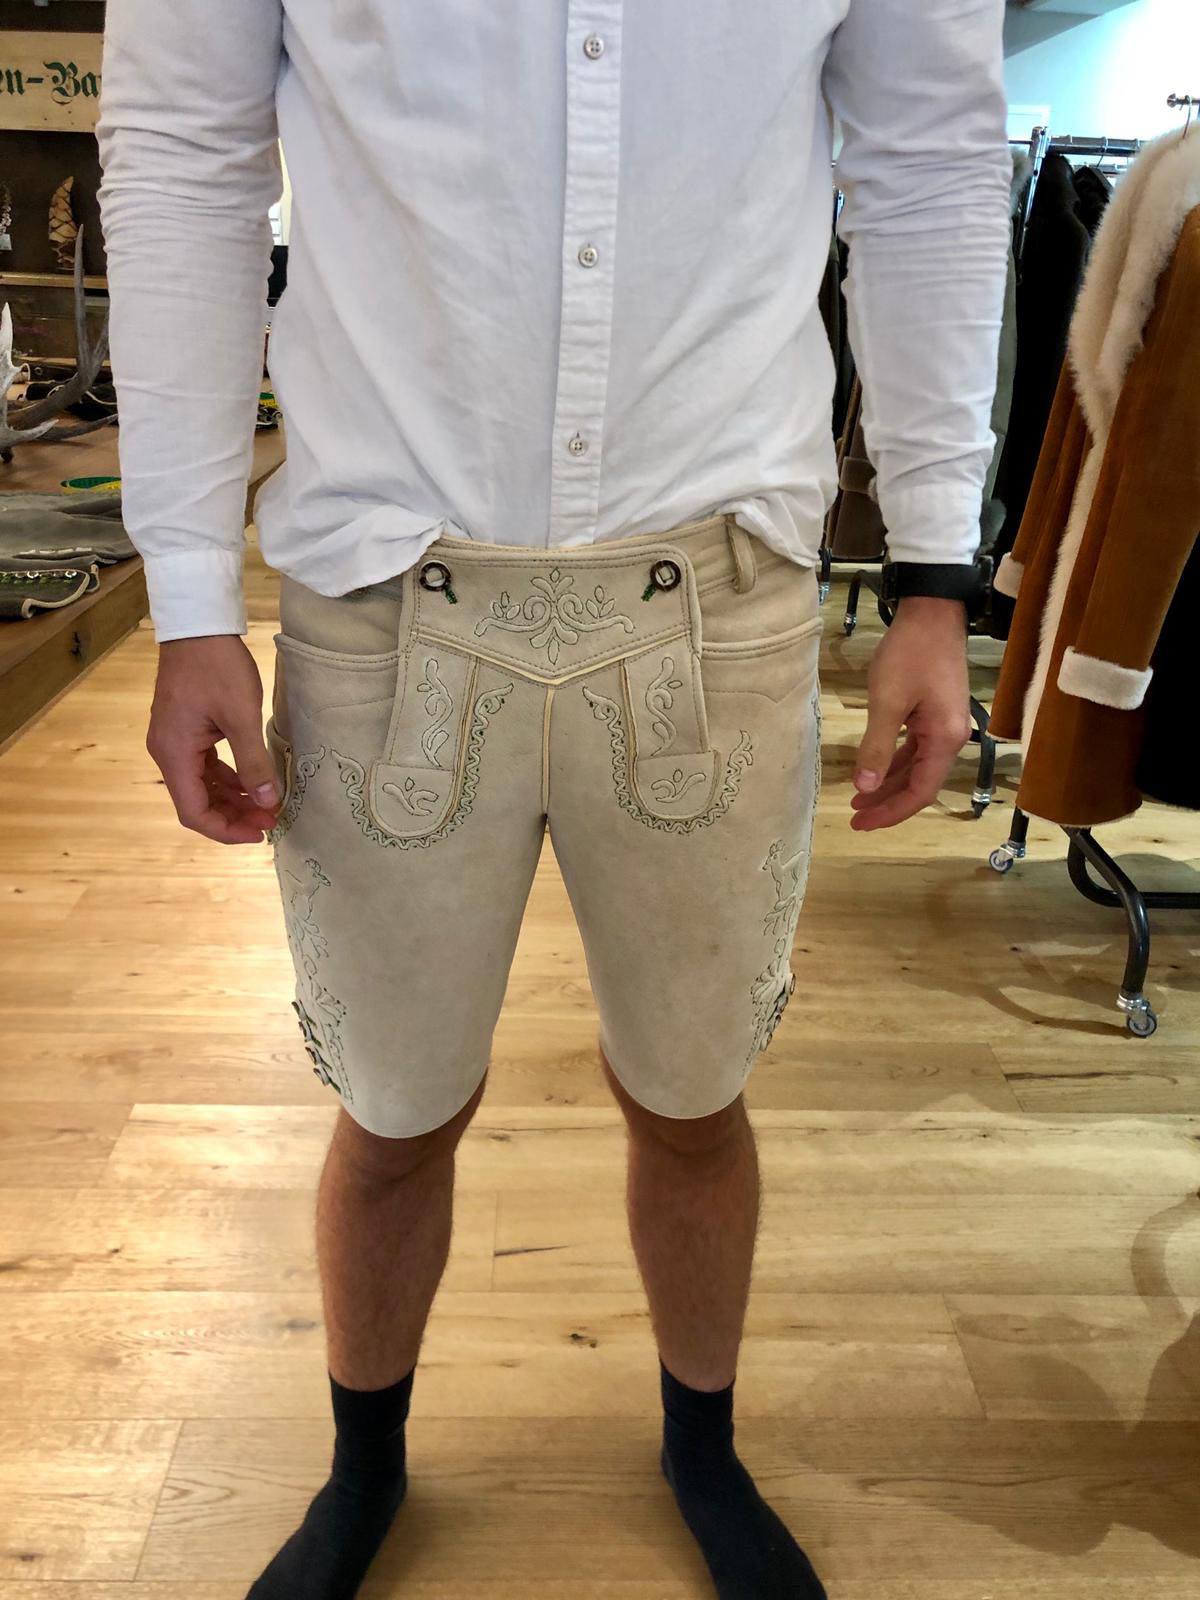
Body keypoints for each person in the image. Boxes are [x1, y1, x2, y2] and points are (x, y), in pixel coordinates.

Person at [97, 3, 1010, 1595]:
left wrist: (935, 568)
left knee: (694, 1091)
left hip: (715, 591)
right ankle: (363, 1464)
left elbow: (928, 153)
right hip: (384, 581)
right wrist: (185, 595)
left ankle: (701, 1444)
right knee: (393, 1105)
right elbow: (184, 151)